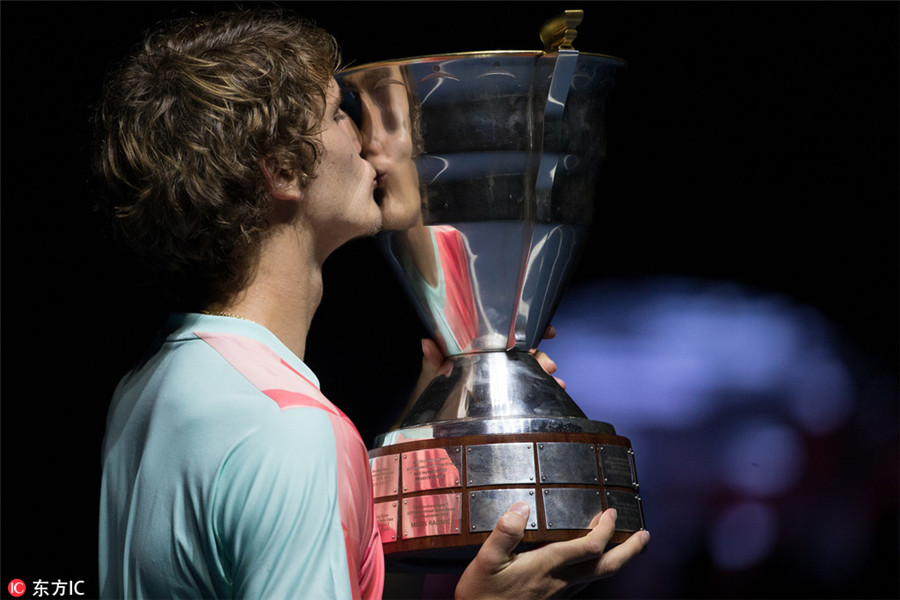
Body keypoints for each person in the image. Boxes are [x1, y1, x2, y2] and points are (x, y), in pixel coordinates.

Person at [95, 9, 649, 599]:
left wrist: (433, 408)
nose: (368, 140)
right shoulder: (294, 434)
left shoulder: (149, 388)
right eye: (339, 111)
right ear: (283, 170)